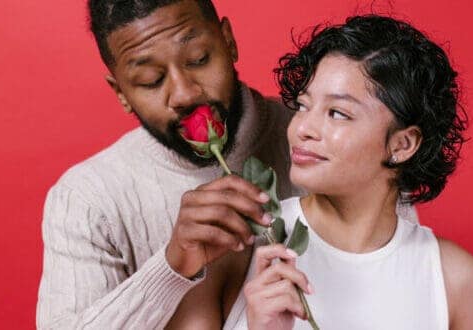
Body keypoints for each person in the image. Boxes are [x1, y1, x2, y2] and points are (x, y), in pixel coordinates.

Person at [36, 1, 416, 329]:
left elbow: (407, 292)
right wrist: (171, 267)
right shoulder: (86, 199)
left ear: (229, 41)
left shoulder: (339, 142)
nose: (185, 93)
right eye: (150, 80)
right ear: (121, 92)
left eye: (199, 60)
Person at [174, 15, 473, 329]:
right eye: (303, 105)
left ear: (402, 144)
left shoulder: (452, 279)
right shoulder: (237, 246)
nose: (302, 129)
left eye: (337, 113)